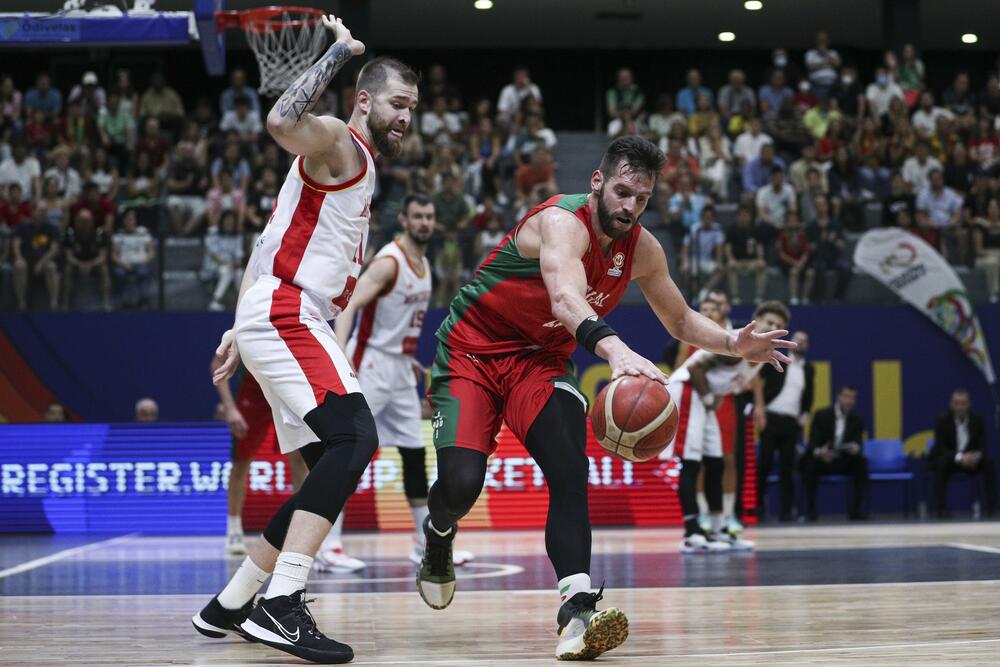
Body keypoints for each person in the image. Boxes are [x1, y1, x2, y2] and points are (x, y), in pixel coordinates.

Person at [413, 136, 795, 660]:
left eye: (641, 199)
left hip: (540, 363)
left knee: (570, 467)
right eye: (622, 192)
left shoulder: (642, 248)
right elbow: (566, 298)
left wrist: (733, 343)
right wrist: (614, 351)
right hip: (472, 352)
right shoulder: (561, 223)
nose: (630, 207)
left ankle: (576, 609)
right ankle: (439, 532)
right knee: (459, 485)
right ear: (598, 183)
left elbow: (680, 320)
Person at [193, 16, 419, 664]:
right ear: (365, 99)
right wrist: (340, 53)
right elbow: (281, 124)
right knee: (356, 438)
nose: (407, 117)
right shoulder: (339, 142)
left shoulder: (357, 163)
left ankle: (233, 600)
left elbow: (266, 246)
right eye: (399, 104)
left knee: (325, 468)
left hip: (276, 309)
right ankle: (282, 603)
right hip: (291, 312)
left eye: (414, 108)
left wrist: (240, 321)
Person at [321, 194, 475, 571]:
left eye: (429, 216)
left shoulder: (423, 263)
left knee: (413, 454)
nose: (424, 222)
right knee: (349, 452)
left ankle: (424, 543)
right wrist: (339, 352)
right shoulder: (390, 261)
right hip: (370, 362)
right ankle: (328, 545)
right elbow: (350, 303)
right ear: (404, 219)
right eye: (417, 216)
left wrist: (410, 361)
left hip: (401, 368)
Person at [668, 301, 790, 552]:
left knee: (716, 462)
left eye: (779, 325)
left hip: (707, 398)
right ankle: (691, 534)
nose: (773, 327)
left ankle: (718, 530)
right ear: (756, 321)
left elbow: (722, 382)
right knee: (692, 462)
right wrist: (712, 399)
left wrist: (718, 397)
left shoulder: (761, 355)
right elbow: (694, 369)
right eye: (769, 322)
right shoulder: (737, 341)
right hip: (690, 390)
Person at [211, 355, 307, 556]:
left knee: (299, 459)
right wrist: (230, 408)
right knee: (241, 461)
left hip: (287, 391)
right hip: (254, 392)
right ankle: (234, 530)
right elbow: (217, 363)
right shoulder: (244, 324)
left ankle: (301, 530)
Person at [756, 330, 814, 521]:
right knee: (764, 464)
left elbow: (808, 395)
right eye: (797, 340)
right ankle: (759, 508)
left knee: (787, 469)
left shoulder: (808, 368)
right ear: (791, 342)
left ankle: (786, 511)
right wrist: (759, 408)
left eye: (804, 341)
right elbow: (757, 378)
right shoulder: (777, 359)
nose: (800, 343)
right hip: (771, 418)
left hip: (791, 423)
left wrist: (805, 413)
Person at [804, 385, 868, 520]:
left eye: (853, 398)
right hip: (824, 460)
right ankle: (810, 511)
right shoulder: (821, 415)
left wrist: (856, 448)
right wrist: (820, 452)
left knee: (861, 462)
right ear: (838, 397)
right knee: (809, 463)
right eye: (846, 396)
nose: (849, 401)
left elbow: (858, 443)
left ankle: (856, 511)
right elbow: (813, 443)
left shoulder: (857, 419)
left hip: (844, 460)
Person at [931, 389, 997, 518]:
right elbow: (940, 448)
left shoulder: (978, 420)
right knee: (940, 464)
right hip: (951, 461)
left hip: (972, 462)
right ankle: (941, 510)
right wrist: (960, 457)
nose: (960, 407)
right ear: (951, 405)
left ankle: (992, 509)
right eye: (957, 403)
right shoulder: (942, 420)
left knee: (988, 463)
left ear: (969, 404)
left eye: (963, 403)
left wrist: (974, 457)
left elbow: (982, 446)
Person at [12, 204, 60, 311]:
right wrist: (18, 257)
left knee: (51, 267)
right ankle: (21, 303)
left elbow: (54, 249)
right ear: (32, 212)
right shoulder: (22, 226)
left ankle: (54, 303)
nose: (43, 213)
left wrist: (41, 263)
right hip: (27, 259)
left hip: (44, 260)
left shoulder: (52, 228)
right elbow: (16, 244)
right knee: (19, 265)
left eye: (45, 211)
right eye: (41, 210)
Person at [61, 209, 111, 310]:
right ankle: (65, 303)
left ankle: (106, 301)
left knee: (104, 269)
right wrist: (80, 264)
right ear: (76, 221)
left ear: (92, 221)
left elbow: (103, 256)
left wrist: (90, 264)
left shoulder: (99, 234)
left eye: (87, 221)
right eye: (81, 221)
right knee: (67, 269)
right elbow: (68, 256)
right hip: (76, 264)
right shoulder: (70, 234)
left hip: (94, 264)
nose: (84, 224)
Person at [724, 205, 767, 304]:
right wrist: (730, 259)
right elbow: (727, 247)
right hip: (737, 262)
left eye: (746, 216)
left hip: (751, 262)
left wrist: (761, 258)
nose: (744, 218)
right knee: (730, 267)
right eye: (741, 216)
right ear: (738, 217)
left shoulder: (755, 230)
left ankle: (759, 297)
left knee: (762, 266)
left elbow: (759, 246)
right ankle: (735, 298)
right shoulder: (732, 230)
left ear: (750, 217)